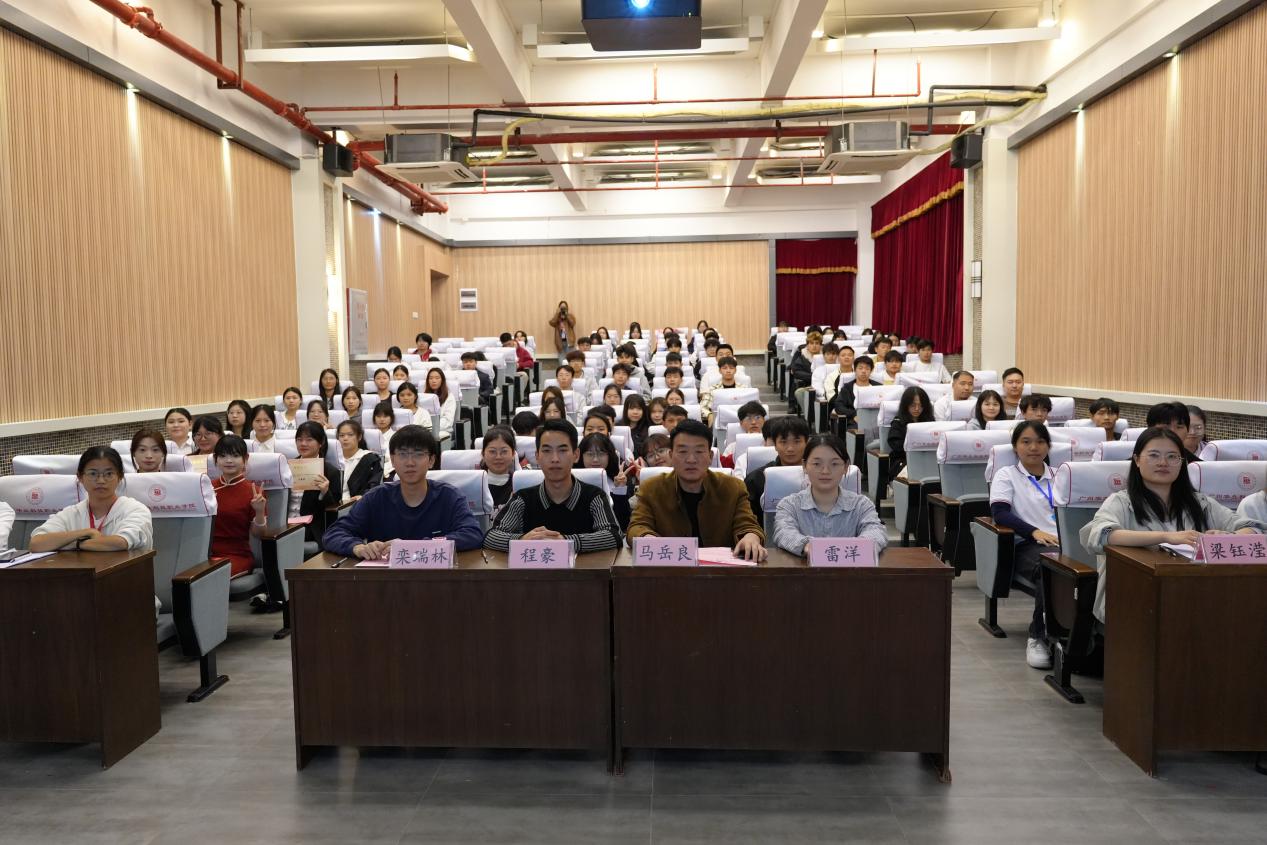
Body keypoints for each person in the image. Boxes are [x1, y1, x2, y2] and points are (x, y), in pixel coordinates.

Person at [1080, 428, 1257, 622]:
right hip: (1133, 602)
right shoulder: (1121, 501)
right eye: (1154, 455)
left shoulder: (1200, 502)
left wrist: (1229, 538)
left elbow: (1253, 530)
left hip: (1197, 599)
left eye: (1172, 457)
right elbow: (1101, 535)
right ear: (1137, 460)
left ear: (1182, 463)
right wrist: (1166, 537)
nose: (1163, 463)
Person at [324, 426, 483, 558]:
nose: (410, 462)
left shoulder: (449, 496)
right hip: (386, 580)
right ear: (393, 460)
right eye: (402, 455)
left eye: (418, 454)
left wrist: (414, 547)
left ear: (431, 461)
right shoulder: (376, 497)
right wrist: (357, 547)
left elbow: (472, 534)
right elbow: (334, 533)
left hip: (435, 578)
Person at [627, 420, 766, 560]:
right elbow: (637, 526)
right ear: (671, 455)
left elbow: (748, 525)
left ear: (710, 457)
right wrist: (649, 539)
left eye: (699, 451)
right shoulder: (652, 488)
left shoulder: (733, 487)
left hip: (721, 568)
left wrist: (751, 537)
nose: (691, 459)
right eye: (683, 452)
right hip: (670, 566)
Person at [484, 420, 623, 552]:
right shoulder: (523, 498)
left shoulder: (594, 496)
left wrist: (566, 542)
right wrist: (522, 540)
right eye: (547, 451)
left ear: (576, 455)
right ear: (537, 456)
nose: (555, 459)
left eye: (562, 450)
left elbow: (613, 535)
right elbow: (492, 536)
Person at [988, 421, 1060, 669]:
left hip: (1064, 542)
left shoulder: (1061, 475)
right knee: (1051, 568)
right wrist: (1034, 531)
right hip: (1028, 544)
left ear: (1048, 446)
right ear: (1015, 446)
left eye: (1040, 442)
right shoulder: (1006, 475)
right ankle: (1038, 637)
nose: (1034, 448)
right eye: (1026, 442)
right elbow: (1000, 514)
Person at [773, 434, 887, 555]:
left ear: (845, 467)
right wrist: (807, 546)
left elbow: (876, 532)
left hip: (850, 566)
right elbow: (783, 532)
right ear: (805, 466)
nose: (825, 471)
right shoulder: (789, 505)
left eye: (834, 464)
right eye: (817, 464)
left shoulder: (861, 505)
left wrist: (851, 548)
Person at [30, 447, 153, 555]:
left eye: (109, 474)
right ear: (80, 477)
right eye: (93, 474)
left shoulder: (135, 510)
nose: (101, 480)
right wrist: (86, 532)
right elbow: (36, 544)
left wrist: (75, 544)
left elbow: (120, 542)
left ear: (120, 476)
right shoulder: (72, 513)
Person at [209, 435, 268, 578]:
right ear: (215, 459)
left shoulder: (254, 491)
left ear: (245, 459)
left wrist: (259, 512)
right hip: (206, 554)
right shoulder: (207, 488)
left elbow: (259, 534)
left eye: (235, 456)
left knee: (210, 576)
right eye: (223, 456)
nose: (229, 460)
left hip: (237, 555)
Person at [744, 415, 812, 519]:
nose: (790, 448)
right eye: (783, 442)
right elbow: (749, 519)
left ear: (806, 443)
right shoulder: (756, 479)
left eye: (797, 441)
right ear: (775, 445)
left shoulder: (819, 475)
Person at [292, 422, 342, 549]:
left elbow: (333, 509)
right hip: (285, 525)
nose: (303, 444)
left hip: (310, 528)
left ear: (321, 443)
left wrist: (325, 492)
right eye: (299, 440)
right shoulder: (286, 467)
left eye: (309, 440)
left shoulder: (330, 472)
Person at [577, 431, 632, 530]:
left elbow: (623, 524)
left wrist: (619, 489)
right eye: (590, 454)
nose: (595, 459)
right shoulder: (571, 480)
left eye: (601, 454)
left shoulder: (618, 479)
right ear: (580, 456)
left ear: (609, 455)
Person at [887, 386, 934, 478]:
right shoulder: (898, 422)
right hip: (903, 461)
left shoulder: (930, 422)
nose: (917, 408)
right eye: (913, 405)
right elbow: (895, 445)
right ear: (906, 405)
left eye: (921, 405)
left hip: (927, 460)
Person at [336, 419, 383, 502]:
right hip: (333, 503)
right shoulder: (334, 459)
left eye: (350, 435)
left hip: (358, 503)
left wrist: (363, 496)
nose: (345, 438)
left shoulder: (370, 459)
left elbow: (375, 486)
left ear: (359, 437)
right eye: (342, 435)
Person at [831, 356, 882, 430]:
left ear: (871, 370)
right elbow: (839, 406)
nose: (863, 371)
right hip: (854, 420)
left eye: (867, 368)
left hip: (876, 419)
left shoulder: (879, 387)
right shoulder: (847, 388)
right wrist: (853, 414)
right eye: (860, 368)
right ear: (855, 370)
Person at [480, 426, 519, 513]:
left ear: (513, 454)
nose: (498, 457)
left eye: (504, 451)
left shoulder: (519, 485)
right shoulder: (475, 484)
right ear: (483, 454)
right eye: (492, 451)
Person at [720, 400, 767, 469]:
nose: (753, 422)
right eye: (748, 418)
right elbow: (725, 469)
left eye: (757, 417)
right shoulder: (732, 447)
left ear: (764, 420)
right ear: (741, 423)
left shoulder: (771, 444)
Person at [789, 331, 822, 414]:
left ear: (821, 345)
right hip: (807, 384)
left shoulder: (826, 356)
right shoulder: (802, 356)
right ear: (807, 345)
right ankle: (808, 414)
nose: (814, 346)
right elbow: (796, 372)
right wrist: (814, 377)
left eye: (817, 343)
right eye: (811, 343)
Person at [424, 369, 458, 441]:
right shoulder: (423, 397)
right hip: (424, 429)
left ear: (442, 380)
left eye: (437, 378)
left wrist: (430, 427)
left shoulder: (449, 397)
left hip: (442, 430)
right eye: (431, 378)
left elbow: (448, 421)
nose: (434, 381)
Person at [372, 401, 397, 479]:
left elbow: (395, 459)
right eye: (379, 416)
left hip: (388, 472)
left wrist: (381, 471)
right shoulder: (368, 435)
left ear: (391, 418)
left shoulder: (396, 437)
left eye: (385, 416)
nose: (382, 419)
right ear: (374, 418)